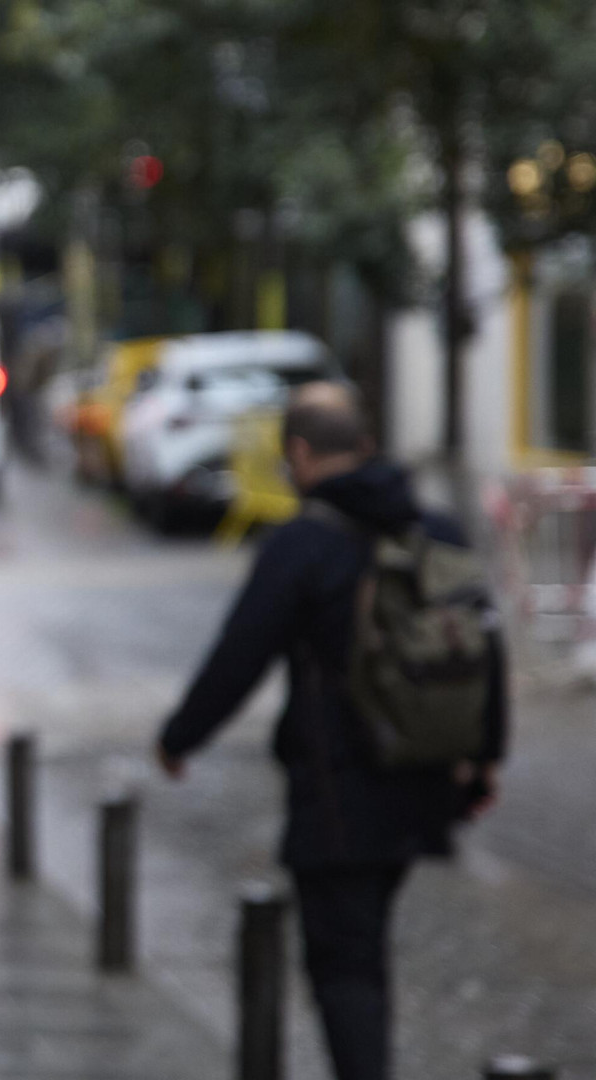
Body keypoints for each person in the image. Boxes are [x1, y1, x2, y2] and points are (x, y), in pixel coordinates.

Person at [154, 381, 506, 1080]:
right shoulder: (435, 531)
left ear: (300, 452)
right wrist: (486, 754)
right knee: (366, 943)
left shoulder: (303, 544)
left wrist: (179, 738)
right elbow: (483, 645)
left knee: (345, 964)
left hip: (336, 790)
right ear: (367, 447)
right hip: (423, 775)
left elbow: (240, 654)